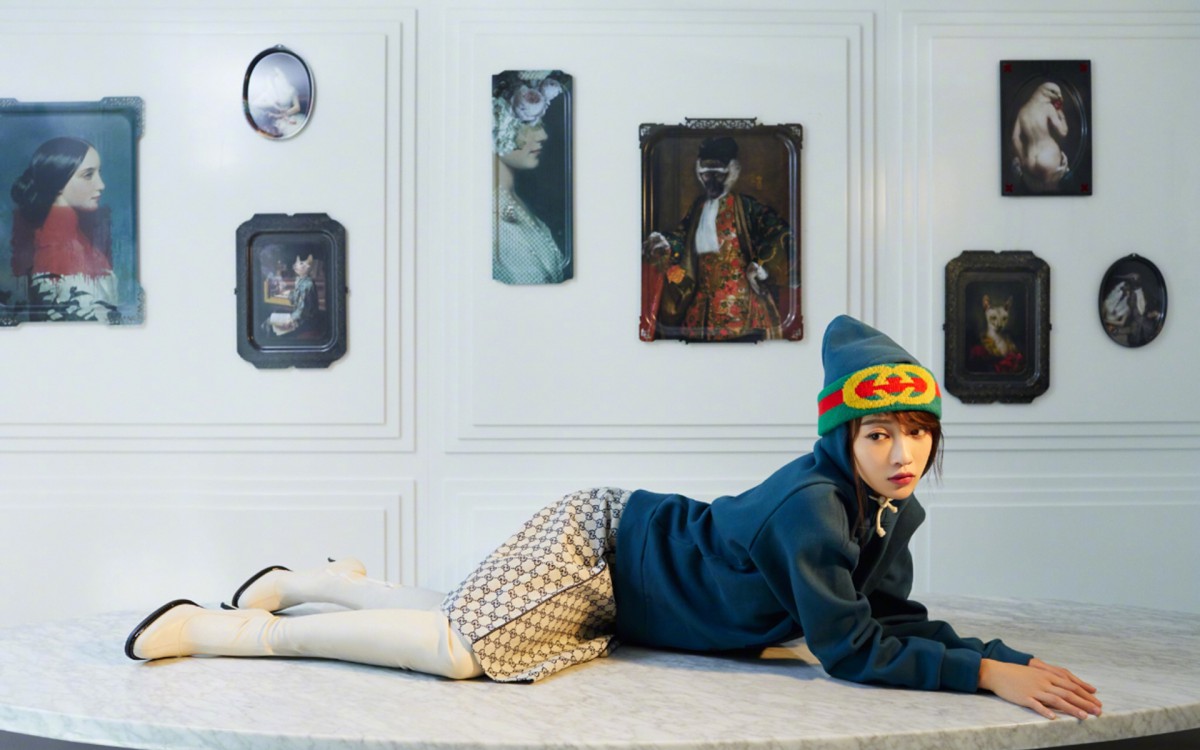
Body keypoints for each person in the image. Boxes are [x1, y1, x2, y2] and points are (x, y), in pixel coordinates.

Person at [126, 316, 1102, 721]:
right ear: (841, 437)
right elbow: (848, 651)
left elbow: (885, 620)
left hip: (631, 585)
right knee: (464, 649)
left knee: (471, 614)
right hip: (602, 545)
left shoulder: (888, 510)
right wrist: (983, 675)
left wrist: (998, 658)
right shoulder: (813, 507)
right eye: (879, 433)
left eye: (916, 433)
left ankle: (310, 581)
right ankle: (232, 629)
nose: (900, 453)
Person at [643, 136, 792, 341]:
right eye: (706, 175)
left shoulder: (747, 207)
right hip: (700, 312)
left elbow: (781, 233)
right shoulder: (698, 208)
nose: (711, 182)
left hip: (743, 313)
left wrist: (762, 266)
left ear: (732, 171)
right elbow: (682, 237)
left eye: (718, 175)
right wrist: (665, 242)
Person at [8, 136, 119, 322]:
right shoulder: (56, 250)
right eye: (88, 175)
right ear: (57, 181)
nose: (101, 185)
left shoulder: (76, 239)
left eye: (98, 173)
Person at [491, 70, 570, 285]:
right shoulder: (489, 216)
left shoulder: (512, 200)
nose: (543, 135)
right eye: (528, 124)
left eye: (540, 124)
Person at [1010, 81, 1070, 193]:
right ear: (1043, 91)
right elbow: (1063, 131)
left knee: (1036, 193)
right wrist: (1061, 115)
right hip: (1048, 154)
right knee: (1052, 192)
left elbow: (1015, 138)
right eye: (1055, 93)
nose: (1059, 97)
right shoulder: (1048, 107)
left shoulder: (1023, 110)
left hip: (1030, 159)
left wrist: (1023, 159)